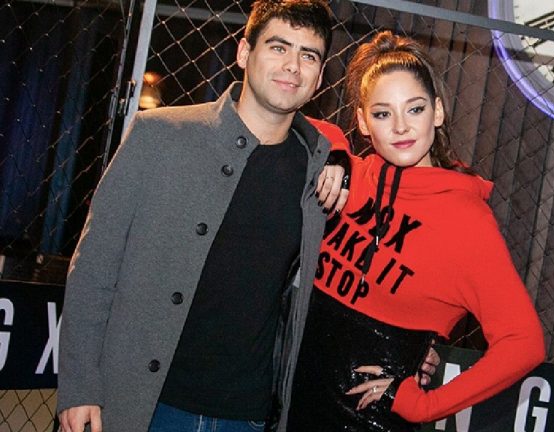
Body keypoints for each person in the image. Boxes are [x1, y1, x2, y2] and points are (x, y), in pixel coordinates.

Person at [56, 2, 354, 431]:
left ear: (320, 77)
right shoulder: (158, 135)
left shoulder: (319, 171)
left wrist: (418, 349)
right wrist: (81, 384)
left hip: (248, 415)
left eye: (308, 55)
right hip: (146, 404)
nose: (293, 66)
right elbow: (94, 266)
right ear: (244, 53)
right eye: (279, 47)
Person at [282, 31, 546, 431]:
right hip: (288, 407)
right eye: (383, 114)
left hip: (368, 421)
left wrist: (424, 406)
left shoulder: (466, 221)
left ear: (437, 112)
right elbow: (286, 117)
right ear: (363, 122)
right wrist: (333, 148)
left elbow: (524, 342)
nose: (401, 127)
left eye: (415, 109)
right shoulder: (351, 177)